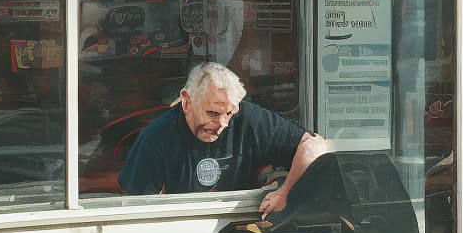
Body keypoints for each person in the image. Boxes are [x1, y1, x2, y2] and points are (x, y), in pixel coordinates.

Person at [118, 61, 328, 218]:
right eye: (211, 113)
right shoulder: (156, 137)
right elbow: (135, 209)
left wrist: (285, 193)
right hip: (181, 232)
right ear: (187, 103)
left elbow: (314, 146)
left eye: (229, 113)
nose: (223, 124)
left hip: (242, 227)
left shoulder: (249, 119)